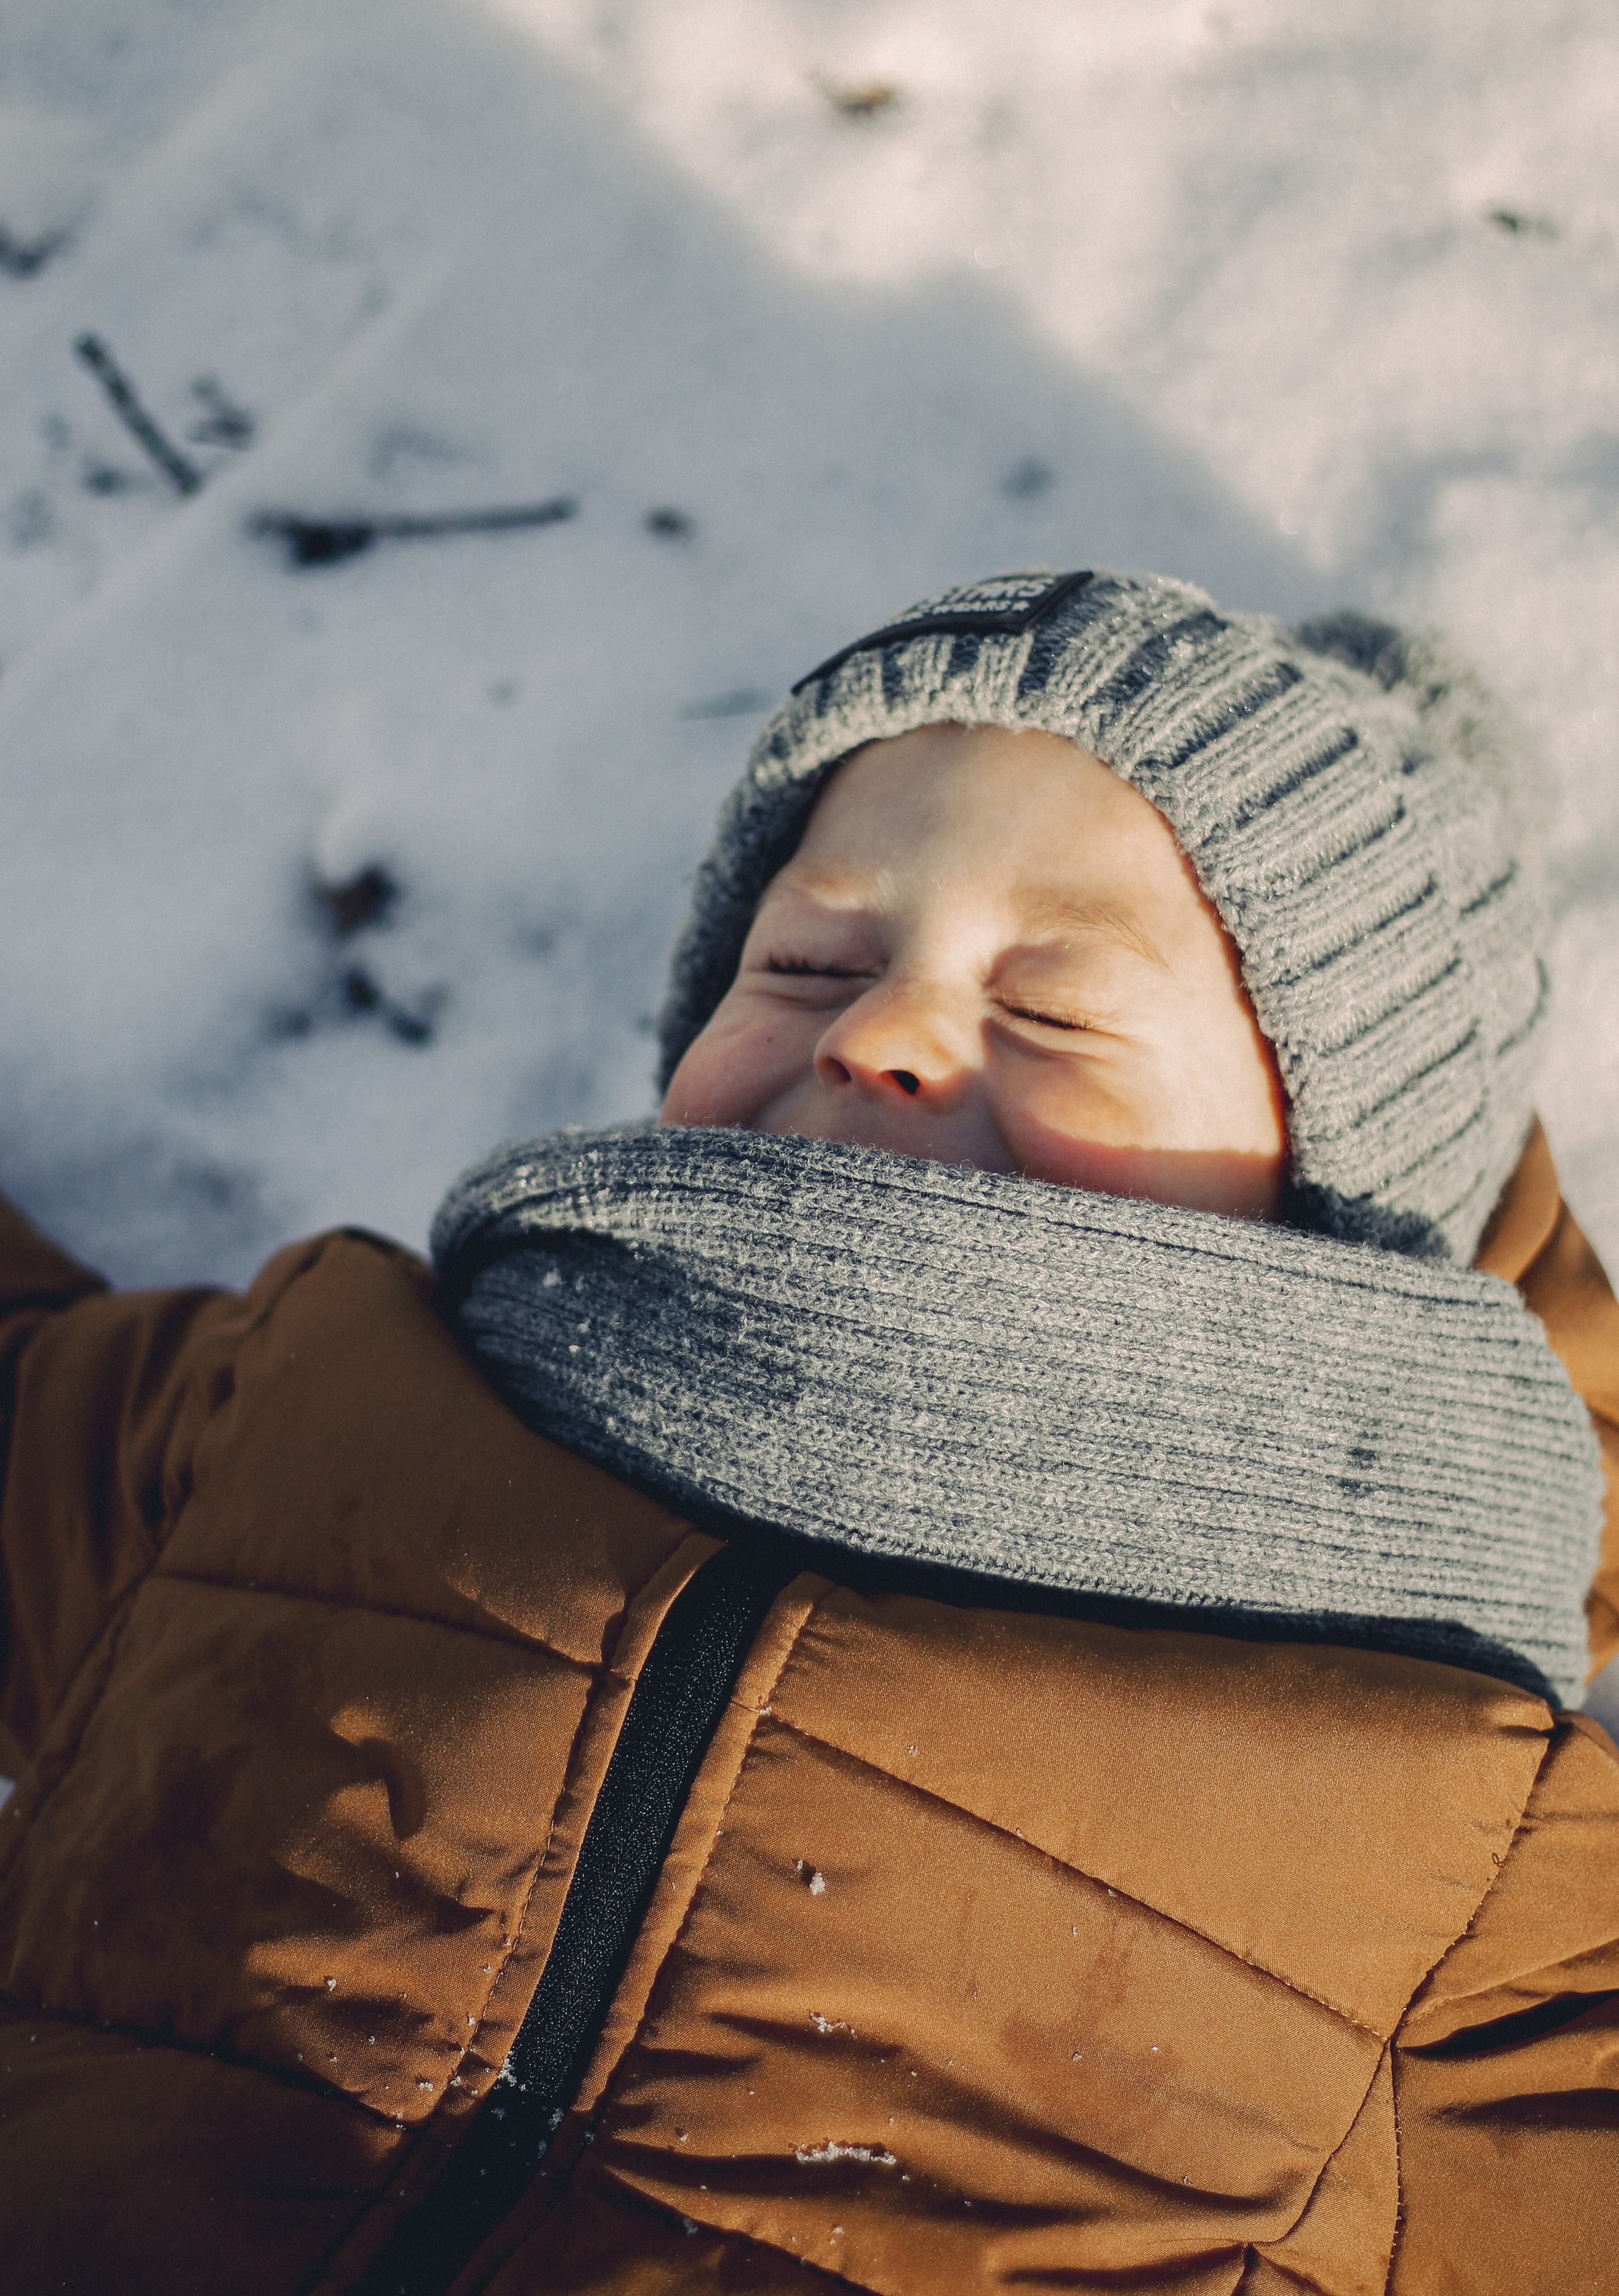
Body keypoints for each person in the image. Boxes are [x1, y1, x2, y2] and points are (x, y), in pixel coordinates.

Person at [1, 567, 1616, 2294]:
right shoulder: (334, 1416)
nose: (877, 1028)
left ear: (1345, 1227)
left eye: (1056, 1006)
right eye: (808, 958)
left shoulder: (1458, 1819)